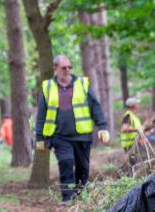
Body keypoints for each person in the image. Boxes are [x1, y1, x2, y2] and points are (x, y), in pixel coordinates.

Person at [34, 55, 110, 202]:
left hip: (82, 135)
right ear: (55, 69)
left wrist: (102, 127)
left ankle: (81, 196)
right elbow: (41, 113)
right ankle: (68, 198)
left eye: (70, 67)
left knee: (83, 168)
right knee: (66, 162)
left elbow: (95, 106)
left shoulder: (82, 83)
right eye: (64, 68)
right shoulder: (48, 87)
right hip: (59, 136)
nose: (67, 70)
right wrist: (39, 137)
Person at [121, 96, 146, 165]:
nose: (137, 104)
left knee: (138, 163)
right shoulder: (127, 116)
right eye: (136, 103)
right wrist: (137, 129)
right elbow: (125, 128)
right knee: (133, 164)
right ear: (133, 105)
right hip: (130, 145)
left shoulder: (133, 116)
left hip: (135, 143)